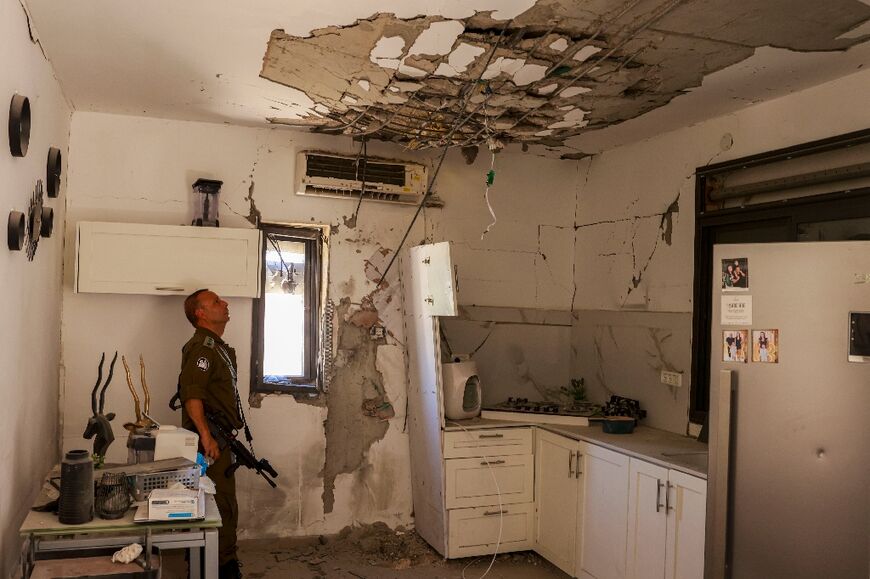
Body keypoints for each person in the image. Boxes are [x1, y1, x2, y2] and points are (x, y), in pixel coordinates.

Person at [178, 289, 244, 579]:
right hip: (209, 443)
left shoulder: (216, 347)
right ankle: (216, 568)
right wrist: (206, 436)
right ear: (200, 313)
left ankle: (218, 564)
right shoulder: (202, 348)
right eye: (216, 301)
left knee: (220, 505)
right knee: (218, 506)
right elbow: (192, 395)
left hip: (218, 438)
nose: (225, 303)